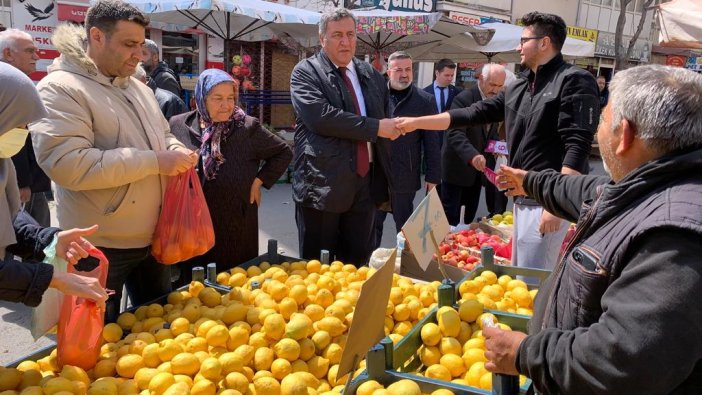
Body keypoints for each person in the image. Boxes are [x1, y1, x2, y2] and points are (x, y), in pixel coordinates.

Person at [483, 64, 702, 395]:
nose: (598, 129)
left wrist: (524, 354)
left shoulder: (675, 236)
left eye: (602, 119)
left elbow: (624, 361)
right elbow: (587, 192)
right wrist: (529, 181)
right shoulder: (653, 183)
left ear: (624, 135)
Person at [30, 1, 197, 322]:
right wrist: (155, 161)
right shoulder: (60, 88)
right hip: (97, 246)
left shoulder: (138, 86)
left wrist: (178, 150)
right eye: (129, 44)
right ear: (96, 36)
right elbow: (67, 165)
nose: (140, 53)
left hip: (154, 238)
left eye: (141, 44)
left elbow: (164, 133)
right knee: (94, 339)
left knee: (159, 332)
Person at [397, 12, 599, 271]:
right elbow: (471, 114)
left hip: (548, 199)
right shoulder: (520, 85)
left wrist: (557, 204)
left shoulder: (573, 80)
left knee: (534, 280)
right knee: (522, 275)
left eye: (524, 40)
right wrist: (416, 123)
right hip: (522, 197)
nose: (518, 47)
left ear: (544, 43)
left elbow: (578, 143)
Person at [290, 8, 402, 266]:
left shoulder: (372, 75)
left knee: (357, 264)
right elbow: (321, 117)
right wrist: (376, 127)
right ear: (322, 39)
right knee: (317, 267)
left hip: (365, 185)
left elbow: (386, 117)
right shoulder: (305, 72)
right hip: (321, 185)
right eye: (337, 35)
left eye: (350, 34)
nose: (345, 41)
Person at [0, 62, 108, 308]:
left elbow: (8, 217)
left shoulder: (2, 162)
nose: (24, 131)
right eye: (19, 123)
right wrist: (53, 279)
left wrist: (47, 240)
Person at [169, 69, 292, 280]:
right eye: (217, 99)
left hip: (235, 220)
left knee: (234, 282)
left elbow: (283, 152)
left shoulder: (246, 127)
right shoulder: (179, 125)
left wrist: (258, 181)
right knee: (193, 284)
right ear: (201, 98)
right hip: (191, 221)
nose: (226, 105)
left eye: (230, 98)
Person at [372, 51, 439, 248]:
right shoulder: (376, 96)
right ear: (389, 71)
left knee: (405, 228)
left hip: (405, 175)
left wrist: (433, 178)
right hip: (377, 174)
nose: (404, 74)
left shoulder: (424, 100)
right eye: (399, 69)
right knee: (372, 225)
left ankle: (406, 267)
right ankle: (369, 265)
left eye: (408, 69)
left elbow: (432, 141)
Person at [441, 63, 509, 226]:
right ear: (481, 79)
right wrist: (472, 155)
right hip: (457, 170)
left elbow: (489, 132)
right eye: (493, 84)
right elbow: (455, 133)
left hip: (477, 174)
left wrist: (497, 145)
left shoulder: (495, 101)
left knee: (468, 217)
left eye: (500, 86)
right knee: (451, 219)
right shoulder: (464, 99)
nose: (496, 90)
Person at [0, 29, 52, 227]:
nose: (36, 57)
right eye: (29, 51)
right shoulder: (7, 88)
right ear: (8, 54)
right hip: (20, 186)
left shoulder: (19, 85)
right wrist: (21, 182)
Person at [423, 58, 462, 150]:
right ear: (437, 73)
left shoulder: (458, 92)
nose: (450, 78)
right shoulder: (424, 93)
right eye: (447, 75)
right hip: (430, 141)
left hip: (450, 141)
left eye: (452, 75)